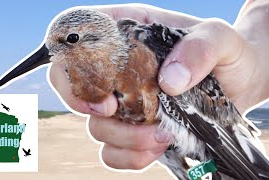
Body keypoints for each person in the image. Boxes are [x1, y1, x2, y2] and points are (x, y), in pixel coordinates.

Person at [49, 0, 269, 170]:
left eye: (72, 39)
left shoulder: (150, 49)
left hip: (217, 128)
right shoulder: (81, 63)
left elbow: (217, 135)